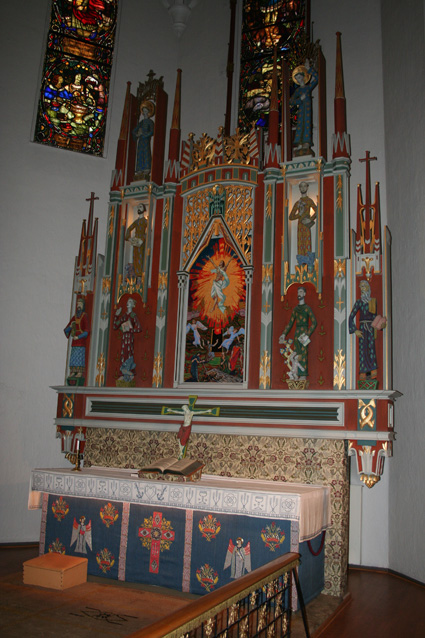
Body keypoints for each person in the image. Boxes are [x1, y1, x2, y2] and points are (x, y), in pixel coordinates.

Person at [349, 279, 386, 380]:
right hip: (362, 328)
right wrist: (355, 330)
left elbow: (375, 316)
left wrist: (381, 324)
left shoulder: (373, 301)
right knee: (363, 349)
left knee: (371, 348)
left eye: (363, 286)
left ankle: (373, 370)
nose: (361, 289)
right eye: (360, 287)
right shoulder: (359, 302)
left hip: (370, 328)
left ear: (368, 288)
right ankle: (363, 372)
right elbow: (351, 316)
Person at [279, 286, 317, 378]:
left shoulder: (307, 308)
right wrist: (284, 334)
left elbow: (314, 322)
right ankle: (295, 374)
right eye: (298, 292)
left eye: (301, 292)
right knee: (296, 353)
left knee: (303, 353)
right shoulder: (295, 309)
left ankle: (303, 375)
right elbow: (290, 323)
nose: (299, 294)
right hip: (297, 334)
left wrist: (307, 334)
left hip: (304, 333)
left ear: (304, 294)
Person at [289, 61, 318, 156]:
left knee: (307, 124)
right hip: (301, 110)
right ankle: (299, 143)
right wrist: (300, 100)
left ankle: (306, 142)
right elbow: (291, 101)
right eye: (297, 78)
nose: (299, 79)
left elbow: (317, 78)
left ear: (303, 77)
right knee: (300, 125)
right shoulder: (298, 91)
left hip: (307, 110)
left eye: (300, 77)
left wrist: (309, 69)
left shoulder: (308, 87)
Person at [113, 298, 142, 382]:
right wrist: (116, 315)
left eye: (130, 301)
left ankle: (129, 373)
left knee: (129, 354)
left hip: (129, 337)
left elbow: (139, 328)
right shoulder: (124, 316)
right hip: (124, 338)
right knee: (123, 354)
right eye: (127, 301)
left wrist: (130, 330)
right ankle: (123, 374)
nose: (128, 303)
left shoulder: (133, 315)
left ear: (133, 305)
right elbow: (115, 326)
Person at [289, 181, 317, 265]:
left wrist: (310, 219)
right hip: (300, 225)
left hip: (306, 225)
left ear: (307, 187)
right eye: (301, 186)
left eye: (304, 186)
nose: (303, 188)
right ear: (299, 188)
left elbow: (318, 211)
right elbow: (291, 217)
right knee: (300, 244)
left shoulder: (309, 201)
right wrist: (299, 214)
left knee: (307, 243)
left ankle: (308, 264)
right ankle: (301, 264)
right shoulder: (297, 203)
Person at [64, 297, 89, 380]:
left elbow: (87, 331)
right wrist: (70, 327)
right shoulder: (74, 317)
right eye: (78, 304)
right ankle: (73, 371)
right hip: (74, 342)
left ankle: (79, 372)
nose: (78, 306)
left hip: (80, 341)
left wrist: (78, 336)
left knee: (79, 356)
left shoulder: (84, 316)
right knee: (73, 357)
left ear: (83, 306)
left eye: (80, 304)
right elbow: (66, 330)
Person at [125, 203, 148, 277]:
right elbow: (129, 229)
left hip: (141, 241)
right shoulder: (136, 221)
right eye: (138, 207)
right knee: (135, 257)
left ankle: (140, 274)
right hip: (136, 240)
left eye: (140, 207)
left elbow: (149, 231)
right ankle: (136, 273)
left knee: (140, 258)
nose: (138, 208)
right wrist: (129, 238)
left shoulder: (145, 221)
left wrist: (143, 239)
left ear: (144, 209)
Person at [132, 101, 155, 177]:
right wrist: (137, 134)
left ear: (148, 112)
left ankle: (146, 168)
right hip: (141, 140)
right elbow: (134, 130)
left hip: (146, 140)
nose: (144, 113)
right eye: (143, 111)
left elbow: (152, 131)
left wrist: (144, 134)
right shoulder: (141, 122)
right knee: (140, 153)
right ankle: (139, 169)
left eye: (146, 111)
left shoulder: (150, 122)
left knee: (146, 153)